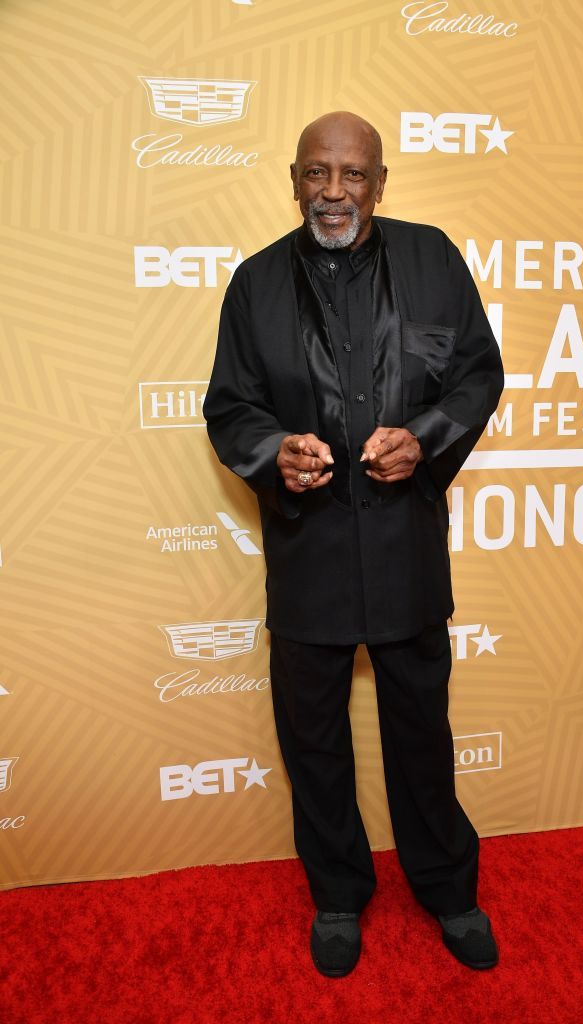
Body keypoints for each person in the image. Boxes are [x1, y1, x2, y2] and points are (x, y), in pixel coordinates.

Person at [204, 111, 505, 978]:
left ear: (380, 181)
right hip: (308, 554)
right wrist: (274, 452)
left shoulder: (432, 258)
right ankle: (338, 893)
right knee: (314, 740)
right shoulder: (254, 283)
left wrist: (428, 435)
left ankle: (448, 889)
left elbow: (477, 373)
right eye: (316, 173)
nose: (333, 192)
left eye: (353, 175)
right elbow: (231, 407)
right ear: (292, 177)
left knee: (421, 730)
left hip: (406, 544)